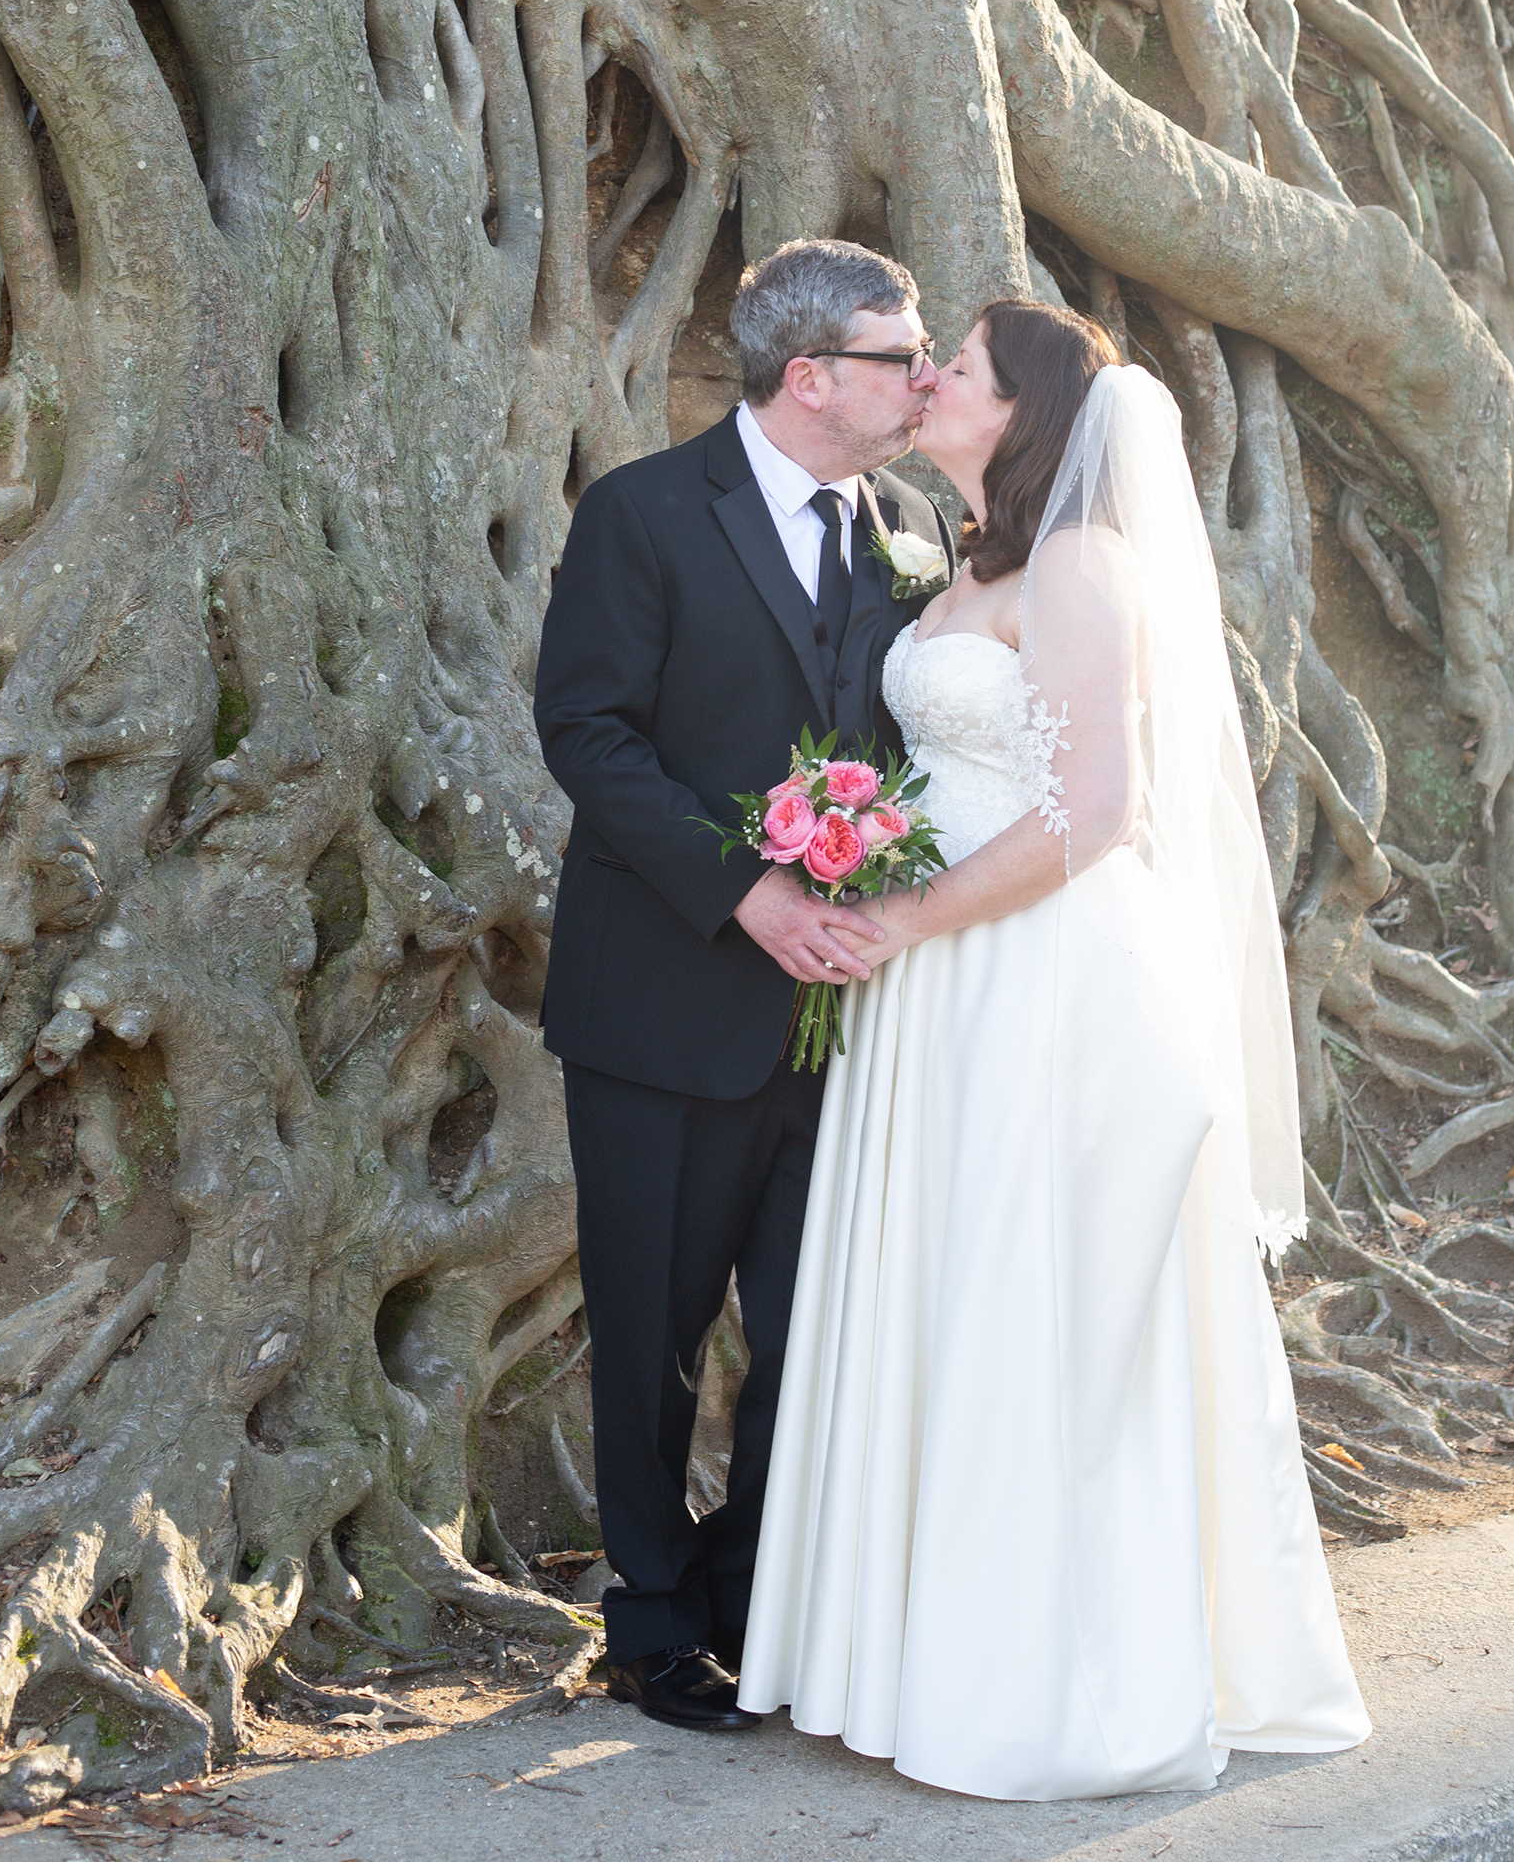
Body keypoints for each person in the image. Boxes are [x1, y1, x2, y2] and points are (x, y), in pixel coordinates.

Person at [737, 299, 1371, 1798]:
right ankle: (905, 1660)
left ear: (1022, 412)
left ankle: (1048, 1685)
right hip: (944, 977)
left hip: (1046, 980)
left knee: (1037, 1302)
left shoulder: (1084, 568)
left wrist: (915, 918)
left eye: (958, 364)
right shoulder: (969, 566)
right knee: (947, 1291)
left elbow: (1101, 815)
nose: (933, 376)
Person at [532, 239, 953, 1733]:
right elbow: (587, 735)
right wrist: (749, 896)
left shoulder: (911, 526)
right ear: (812, 375)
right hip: (664, 1002)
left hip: (851, 1019)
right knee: (650, 1331)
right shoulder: (645, 513)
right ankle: (647, 1625)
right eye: (904, 355)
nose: (929, 377)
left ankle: (748, 1597)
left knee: (815, 1325)